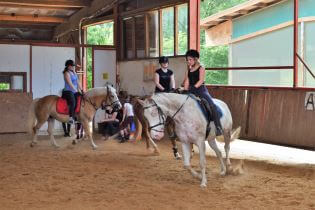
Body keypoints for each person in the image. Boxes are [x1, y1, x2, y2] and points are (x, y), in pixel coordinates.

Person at [183, 49, 223, 136]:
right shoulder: (188, 70)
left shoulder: (201, 68)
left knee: (212, 105)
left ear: (196, 59)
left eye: (190, 59)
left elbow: (201, 80)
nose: (188, 61)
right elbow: (187, 81)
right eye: (187, 60)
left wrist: (193, 88)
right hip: (191, 90)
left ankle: (218, 127)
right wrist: (185, 90)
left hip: (201, 90)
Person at [62, 59, 82, 124]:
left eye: (73, 66)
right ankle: (71, 118)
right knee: (73, 101)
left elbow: (78, 82)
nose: (73, 67)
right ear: (68, 66)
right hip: (68, 91)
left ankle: (76, 115)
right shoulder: (66, 73)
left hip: (74, 91)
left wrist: (82, 90)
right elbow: (70, 84)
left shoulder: (74, 72)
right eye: (72, 66)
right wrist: (76, 91)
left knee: (80, 100)